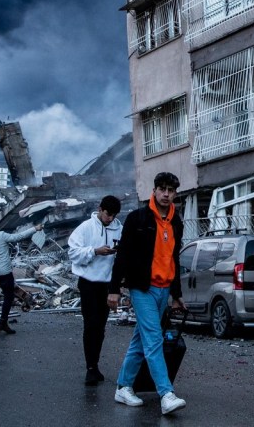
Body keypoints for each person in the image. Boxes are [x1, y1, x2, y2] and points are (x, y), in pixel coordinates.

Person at [109, 172, 187, 415]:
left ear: (175, 193)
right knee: (154, 339)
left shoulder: (176, 222)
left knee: (141, 340)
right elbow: (123, 255)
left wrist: (176, 294)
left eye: (170, 190)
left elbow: (174, 258)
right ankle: (166, 394)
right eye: (162, 189)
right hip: (142, 288)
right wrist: (114, 290)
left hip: (164, 291)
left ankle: (123, 386)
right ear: (154, 191)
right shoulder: (138, 218)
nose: (166, 194)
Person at [68, 195, 122, 385]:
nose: (110, 218)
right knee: (91, 325)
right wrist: (95, 251)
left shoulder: (119, 229)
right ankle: (90, 368)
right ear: (100, 209)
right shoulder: (85, 228)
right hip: (88, 283)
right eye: (108, 214)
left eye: (114, 215)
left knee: (100, 326)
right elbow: (73, 252)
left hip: (107, 285)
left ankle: (95, 364)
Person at [0, 218, 43, 334]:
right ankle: (3, 322)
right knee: (8, 296)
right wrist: (35, 229)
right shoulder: (1, 235)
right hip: (5, 273)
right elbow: (19, 236)